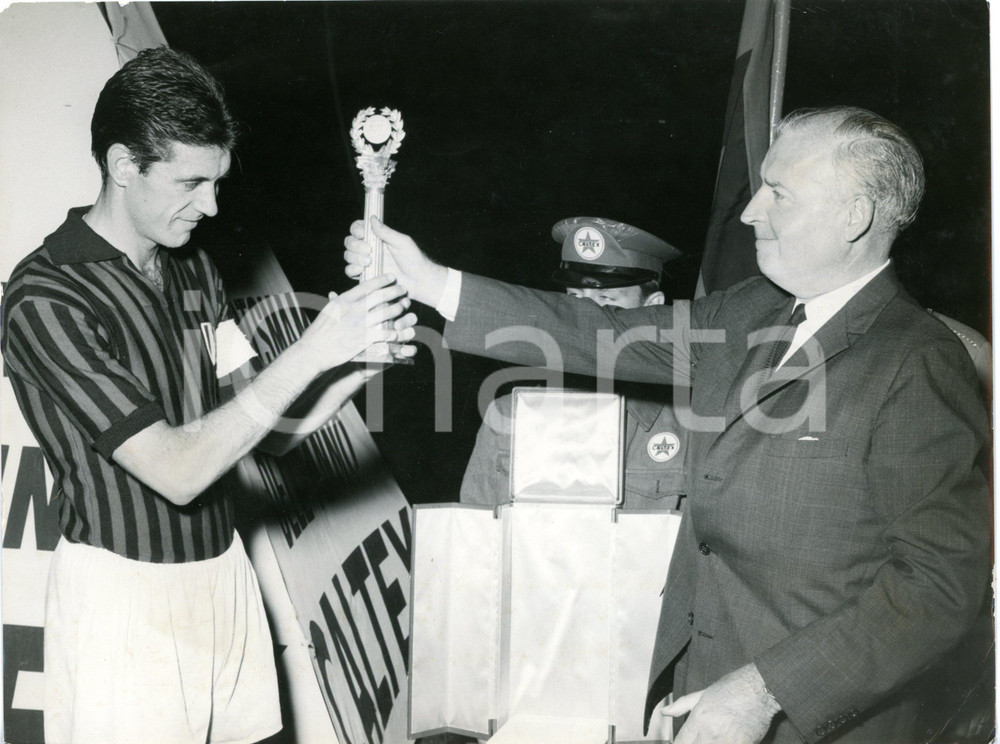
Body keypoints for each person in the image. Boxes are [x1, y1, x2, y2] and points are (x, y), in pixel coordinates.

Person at [344, 107, 991, 743]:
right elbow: (599, 333)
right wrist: (431, 282)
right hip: (693, 693)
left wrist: (763, 691)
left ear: (855, 216)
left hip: (805, 719)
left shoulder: (918, 361)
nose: (750, 211)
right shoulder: (750, 310)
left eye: (779, 193)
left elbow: (938, 590)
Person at [1, 47, 416, 744]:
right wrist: (313, 348)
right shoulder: (46, 297)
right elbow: (179, 469)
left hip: (224, 575)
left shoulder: (194, 268)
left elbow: (265, 428)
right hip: (123, 600)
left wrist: (357, 363)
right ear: (123, 165)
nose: (212, 205)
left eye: (218, 182)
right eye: (191, 182)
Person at [460, 216, 690, 510]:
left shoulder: (689, 425)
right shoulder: (509, 416)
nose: (585, 319)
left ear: (653, 307)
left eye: (607, 301)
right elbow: (475, 529)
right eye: (575, 299)